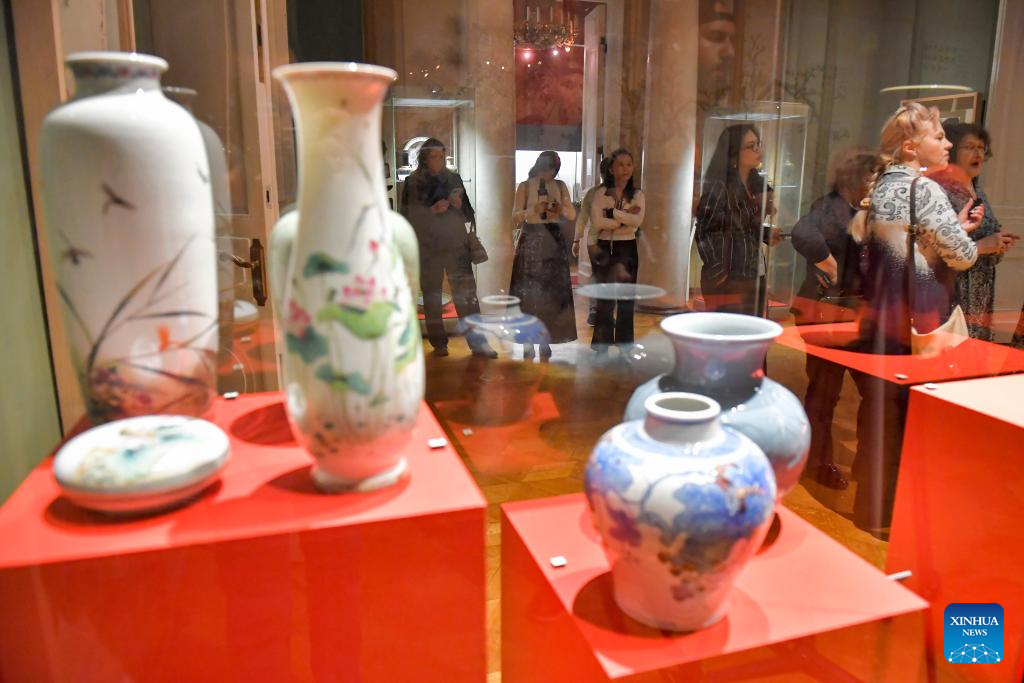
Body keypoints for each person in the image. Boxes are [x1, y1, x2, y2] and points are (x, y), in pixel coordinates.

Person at [851, 102, 987, 534]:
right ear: (911, 146)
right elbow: (962, 257)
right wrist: (967, 238)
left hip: (883, 317)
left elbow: (901, 245)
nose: (947, 144)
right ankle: (903, 515)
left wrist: (951, 228)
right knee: (915, 414)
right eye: (939, 136)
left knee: (880, 411)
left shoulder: (881, 189)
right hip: (922, 318)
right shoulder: (924, 189)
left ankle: (870, 508)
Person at [790, 147, 881, 490]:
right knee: (825, 392)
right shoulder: (831, 207)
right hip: (825, 315)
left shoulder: (859, 209)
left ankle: (863, 467)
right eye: (871, 175)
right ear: (852, 177)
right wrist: (829, 264)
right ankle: (818, 463)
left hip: (849, 316)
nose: (875, 182)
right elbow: (802, 233)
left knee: (867, 390)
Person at [401, 138, 496, 358]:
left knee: (467, 296)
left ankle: (478, 343)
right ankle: (439, 343)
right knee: (432, 297)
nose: (438, 160)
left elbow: (469, 213)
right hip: (428, 247)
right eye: (434, 156)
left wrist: (459, 205)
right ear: (424, 158)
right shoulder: (413, 181)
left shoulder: (453, 178)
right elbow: (406, 217)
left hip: (456, 245)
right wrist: (432, 211)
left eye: (441, 156)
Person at [928, 122, 1017, 341]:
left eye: (981, 148)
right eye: (969, 147)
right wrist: (983, 246)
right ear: (952, 151)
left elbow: (986, 235)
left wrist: (998, 244)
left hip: (979, 292)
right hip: (950, 291)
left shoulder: (977, 190)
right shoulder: (939, 191)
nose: (978, 154)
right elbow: (933, 249)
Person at [695, 124, 776, 315]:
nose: (758, 150)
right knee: (728, 330)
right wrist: (718, 270)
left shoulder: (756, 184)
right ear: (733, 154)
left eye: (758, 144)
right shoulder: (720, 186)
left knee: (753, 329)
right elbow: (704, 229)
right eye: (751, 146)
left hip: (753, 271)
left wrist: (765, 233)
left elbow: (744, 226)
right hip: (730, 277)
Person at [510, 151, 578, 358]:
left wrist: (560, 208)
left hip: (553, 237)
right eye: (548, 168)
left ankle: (546, 338)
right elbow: (514, 218)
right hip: (531, 237)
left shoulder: (560, 186)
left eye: (554, 169)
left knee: (552, 293)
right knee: (529, 293)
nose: (551, 173)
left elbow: (572, 214)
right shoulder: (525, 186)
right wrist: (533, 209)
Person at [587, 148, 646, 351]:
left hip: (627, 247)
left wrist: (612, 213)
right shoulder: (601, 193)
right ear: (611, 169)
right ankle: (601, 346)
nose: (625, 169)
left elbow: (637, 221)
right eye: (620, 164)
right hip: (605, 247)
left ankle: (625, 346)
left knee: (626, 299)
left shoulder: (637, 195)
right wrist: (623, 219)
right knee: (604, 300)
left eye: (629, 164)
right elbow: (597, 222)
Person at [573, 156, 613, 327]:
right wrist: (576, 239)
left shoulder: (593, 192)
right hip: (602, 240)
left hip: (596, 240)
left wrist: (576, 240)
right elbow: (582, 218)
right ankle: (600, 311)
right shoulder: (618, 193)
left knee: (599, 275)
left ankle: (596, 311)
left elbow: (582, 218)